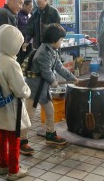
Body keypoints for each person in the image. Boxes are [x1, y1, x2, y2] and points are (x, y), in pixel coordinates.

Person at [20, 24, 78, 155]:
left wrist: (73, 78)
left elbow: (59, 67)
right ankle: (21, 141)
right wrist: (54, 82)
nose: (61, 42)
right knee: (28, 116)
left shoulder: (53, 50)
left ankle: (50, 135)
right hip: (34, 89)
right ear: (54, 39)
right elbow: (46, 72)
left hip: (43, 89)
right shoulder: (43, 52)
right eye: (61, 40)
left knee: (50, 111)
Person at [0, 24, 31, 180]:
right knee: (14, 139)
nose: (19, 48)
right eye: (18, 45)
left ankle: (3, 166)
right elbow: (20, 90)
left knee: (2, 136)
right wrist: (28, 91)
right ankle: (14, 170)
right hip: (12, 109)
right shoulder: (12, 63)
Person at [17, 0, 34, 64]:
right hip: (21, 44)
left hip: (28, 43)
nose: (31, 8)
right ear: (24, 5)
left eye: (32, 7)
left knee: (28, 62)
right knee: (21, 62)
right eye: (30, 6)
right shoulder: (18, 15)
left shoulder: (28, 16)